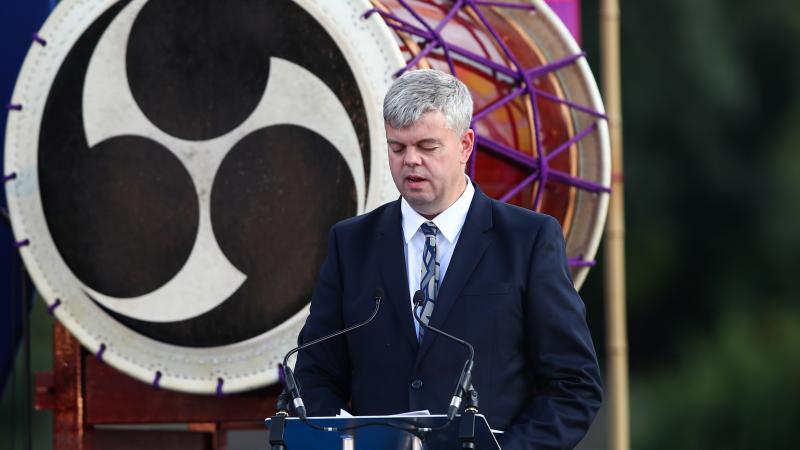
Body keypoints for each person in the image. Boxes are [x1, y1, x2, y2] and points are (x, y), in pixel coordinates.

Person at [294, 69, 602, 449]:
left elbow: (573, 385)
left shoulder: (528, 240)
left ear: (465, 146)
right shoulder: (351, 243)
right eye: (397, 147)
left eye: (427, 146)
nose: (411, 161)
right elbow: (314, 375)